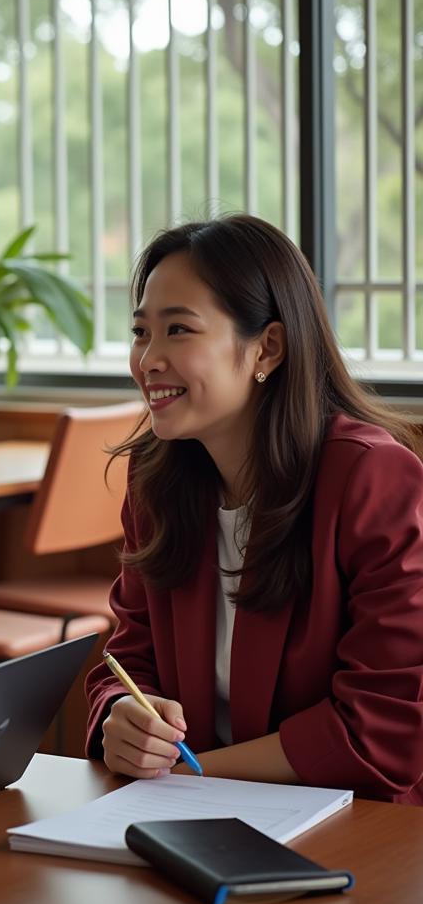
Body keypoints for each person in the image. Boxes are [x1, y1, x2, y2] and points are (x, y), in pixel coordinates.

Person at [85, 214, 423, 804]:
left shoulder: (372, 478)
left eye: (179, 331)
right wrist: (121, 719)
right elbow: (128, 655)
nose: (148, 360)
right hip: (191, 815)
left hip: (359, 828)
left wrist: (193, 775)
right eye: (142, 333)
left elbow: (384, 727)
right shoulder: (157, 475)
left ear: (267, 346)